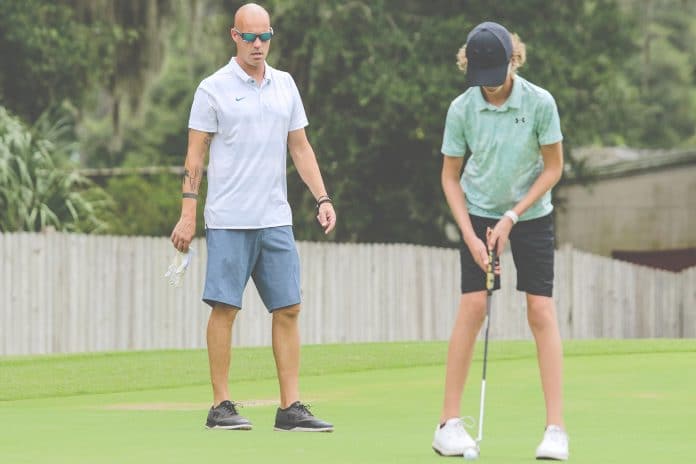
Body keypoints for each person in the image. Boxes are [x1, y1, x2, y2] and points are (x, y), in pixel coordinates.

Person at [170, 2, 335, 433]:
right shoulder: (213, 89)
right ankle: (221, 405)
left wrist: (322, 197)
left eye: (265, 37)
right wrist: (188, 213)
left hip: (275, 218)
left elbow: (299, 146)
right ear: (234, 36)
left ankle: (290, 407)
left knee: (290, 307)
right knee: (225, 307)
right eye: (250, 37)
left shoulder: (285, 85)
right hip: (228, 218)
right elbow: (195, 154)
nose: (259, 45)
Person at [432, 22, 569, 460]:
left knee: (540, 310)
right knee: (473, 306)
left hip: (531, 212)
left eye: (496, 73)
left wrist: (513, 215)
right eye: (481, 76)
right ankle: (447, 424)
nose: (489, 86)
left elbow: (553, 168)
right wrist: (471, 234)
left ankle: (555, 429)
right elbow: (450, 177)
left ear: (514, 59)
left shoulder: (540, 102)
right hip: (477, 210)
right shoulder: (462, 108)